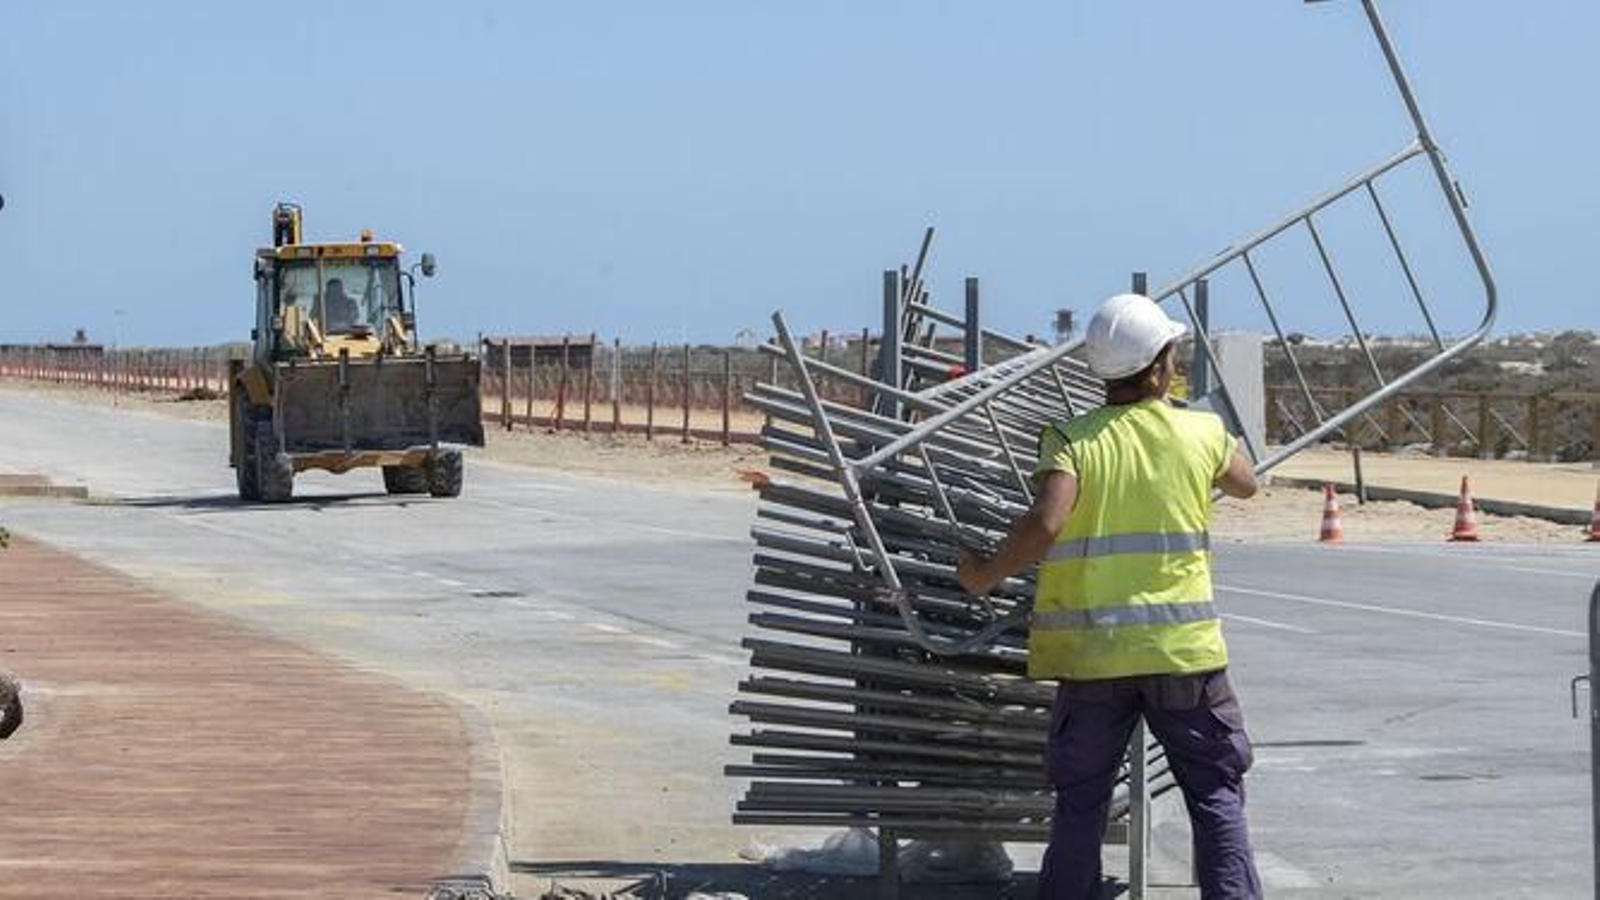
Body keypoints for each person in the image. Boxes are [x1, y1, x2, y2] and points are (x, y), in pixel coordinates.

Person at [956, 293, 1262, 899]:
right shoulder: (1201, 432)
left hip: (1094, 655)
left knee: (1081, 802)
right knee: (1215, 794)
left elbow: (1046, 522)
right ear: (1161, 365)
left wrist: (984, 574)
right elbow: (1247, 483)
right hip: (1183, 655)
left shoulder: (1073, 440)